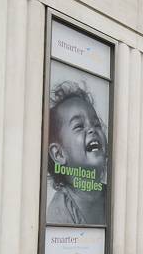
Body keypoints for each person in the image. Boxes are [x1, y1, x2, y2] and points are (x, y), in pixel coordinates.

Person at [46, 80, 109, 225]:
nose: (92, 129)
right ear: (59, 154)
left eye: (96, 124)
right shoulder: (61, 209)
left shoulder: (112, 195)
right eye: (79, 126)